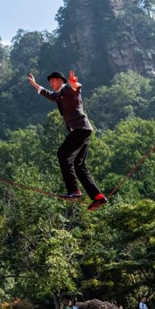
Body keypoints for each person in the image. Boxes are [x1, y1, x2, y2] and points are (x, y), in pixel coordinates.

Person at [28, 71, 108, 211]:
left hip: (80, 129)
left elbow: (75, 88)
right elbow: (47, 94)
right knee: (79, 165)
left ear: (60, 80)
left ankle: (74, 190)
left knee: (63, 154)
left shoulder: (67, 89)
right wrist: (35, 84)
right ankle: (98, 196)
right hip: (82, 130)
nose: (51, 84)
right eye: (50, 82)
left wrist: (73, 83)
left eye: (52, 81)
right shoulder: (58, 95)